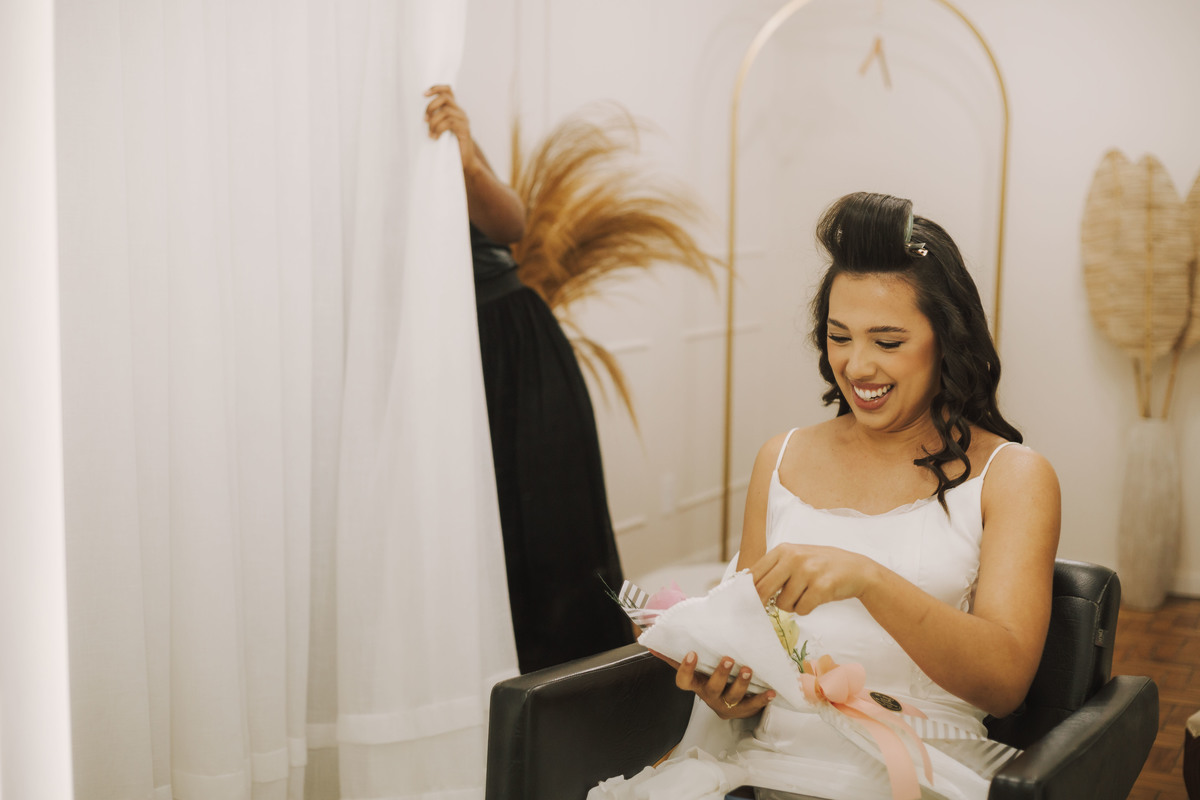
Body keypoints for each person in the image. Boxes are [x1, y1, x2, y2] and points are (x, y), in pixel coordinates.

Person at [589, 192, 1061, 800]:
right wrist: (730, 691)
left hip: (920, 771)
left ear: (946, 339)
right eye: (840, 337)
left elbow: (1004, 683)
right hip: (768, 768)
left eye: (887, 342)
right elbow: (751, 638)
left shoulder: (1013, 476)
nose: (856, 366)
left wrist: (868, 579)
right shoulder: (780, 458)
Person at [424, 85, 634, 674]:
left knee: (555, 536)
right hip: (434, 362)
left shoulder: (428, 104)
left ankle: (573, 699)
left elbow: (510, 224)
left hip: (512, 341)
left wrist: (468, 163)